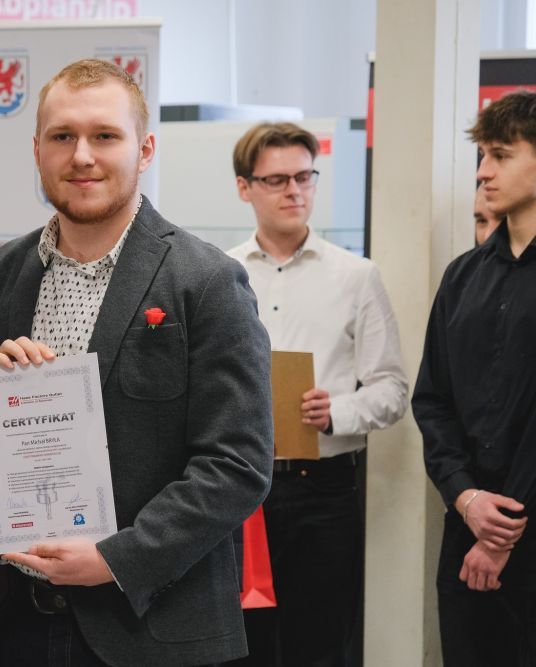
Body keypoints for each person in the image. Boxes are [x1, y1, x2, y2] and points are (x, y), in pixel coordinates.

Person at [0, 59, 274, 667]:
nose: (82, 156)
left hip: (152, 626)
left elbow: (238, 463)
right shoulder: (2, 273)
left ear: (144, 150)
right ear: (37, 150)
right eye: (62, 136)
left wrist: (117, 560)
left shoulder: (206, 281)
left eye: (104, 136)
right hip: (20, 618)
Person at [225, 122, 408, 666]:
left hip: (323, 490)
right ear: (245, 187)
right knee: (243, 647)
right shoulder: (220, 274)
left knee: (322, 646)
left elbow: (393, 389)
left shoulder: (356, 276)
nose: (294, 191)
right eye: (277, 179)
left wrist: (338, 411)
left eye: (305, 177)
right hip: (239, 488)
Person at [412, 90, 536, 666]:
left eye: (501, 155)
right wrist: (465, 498)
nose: (483, 172)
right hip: (467, 525)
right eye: (482, 156)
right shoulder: (462, 277)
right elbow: (432, 400)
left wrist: (501, 530)